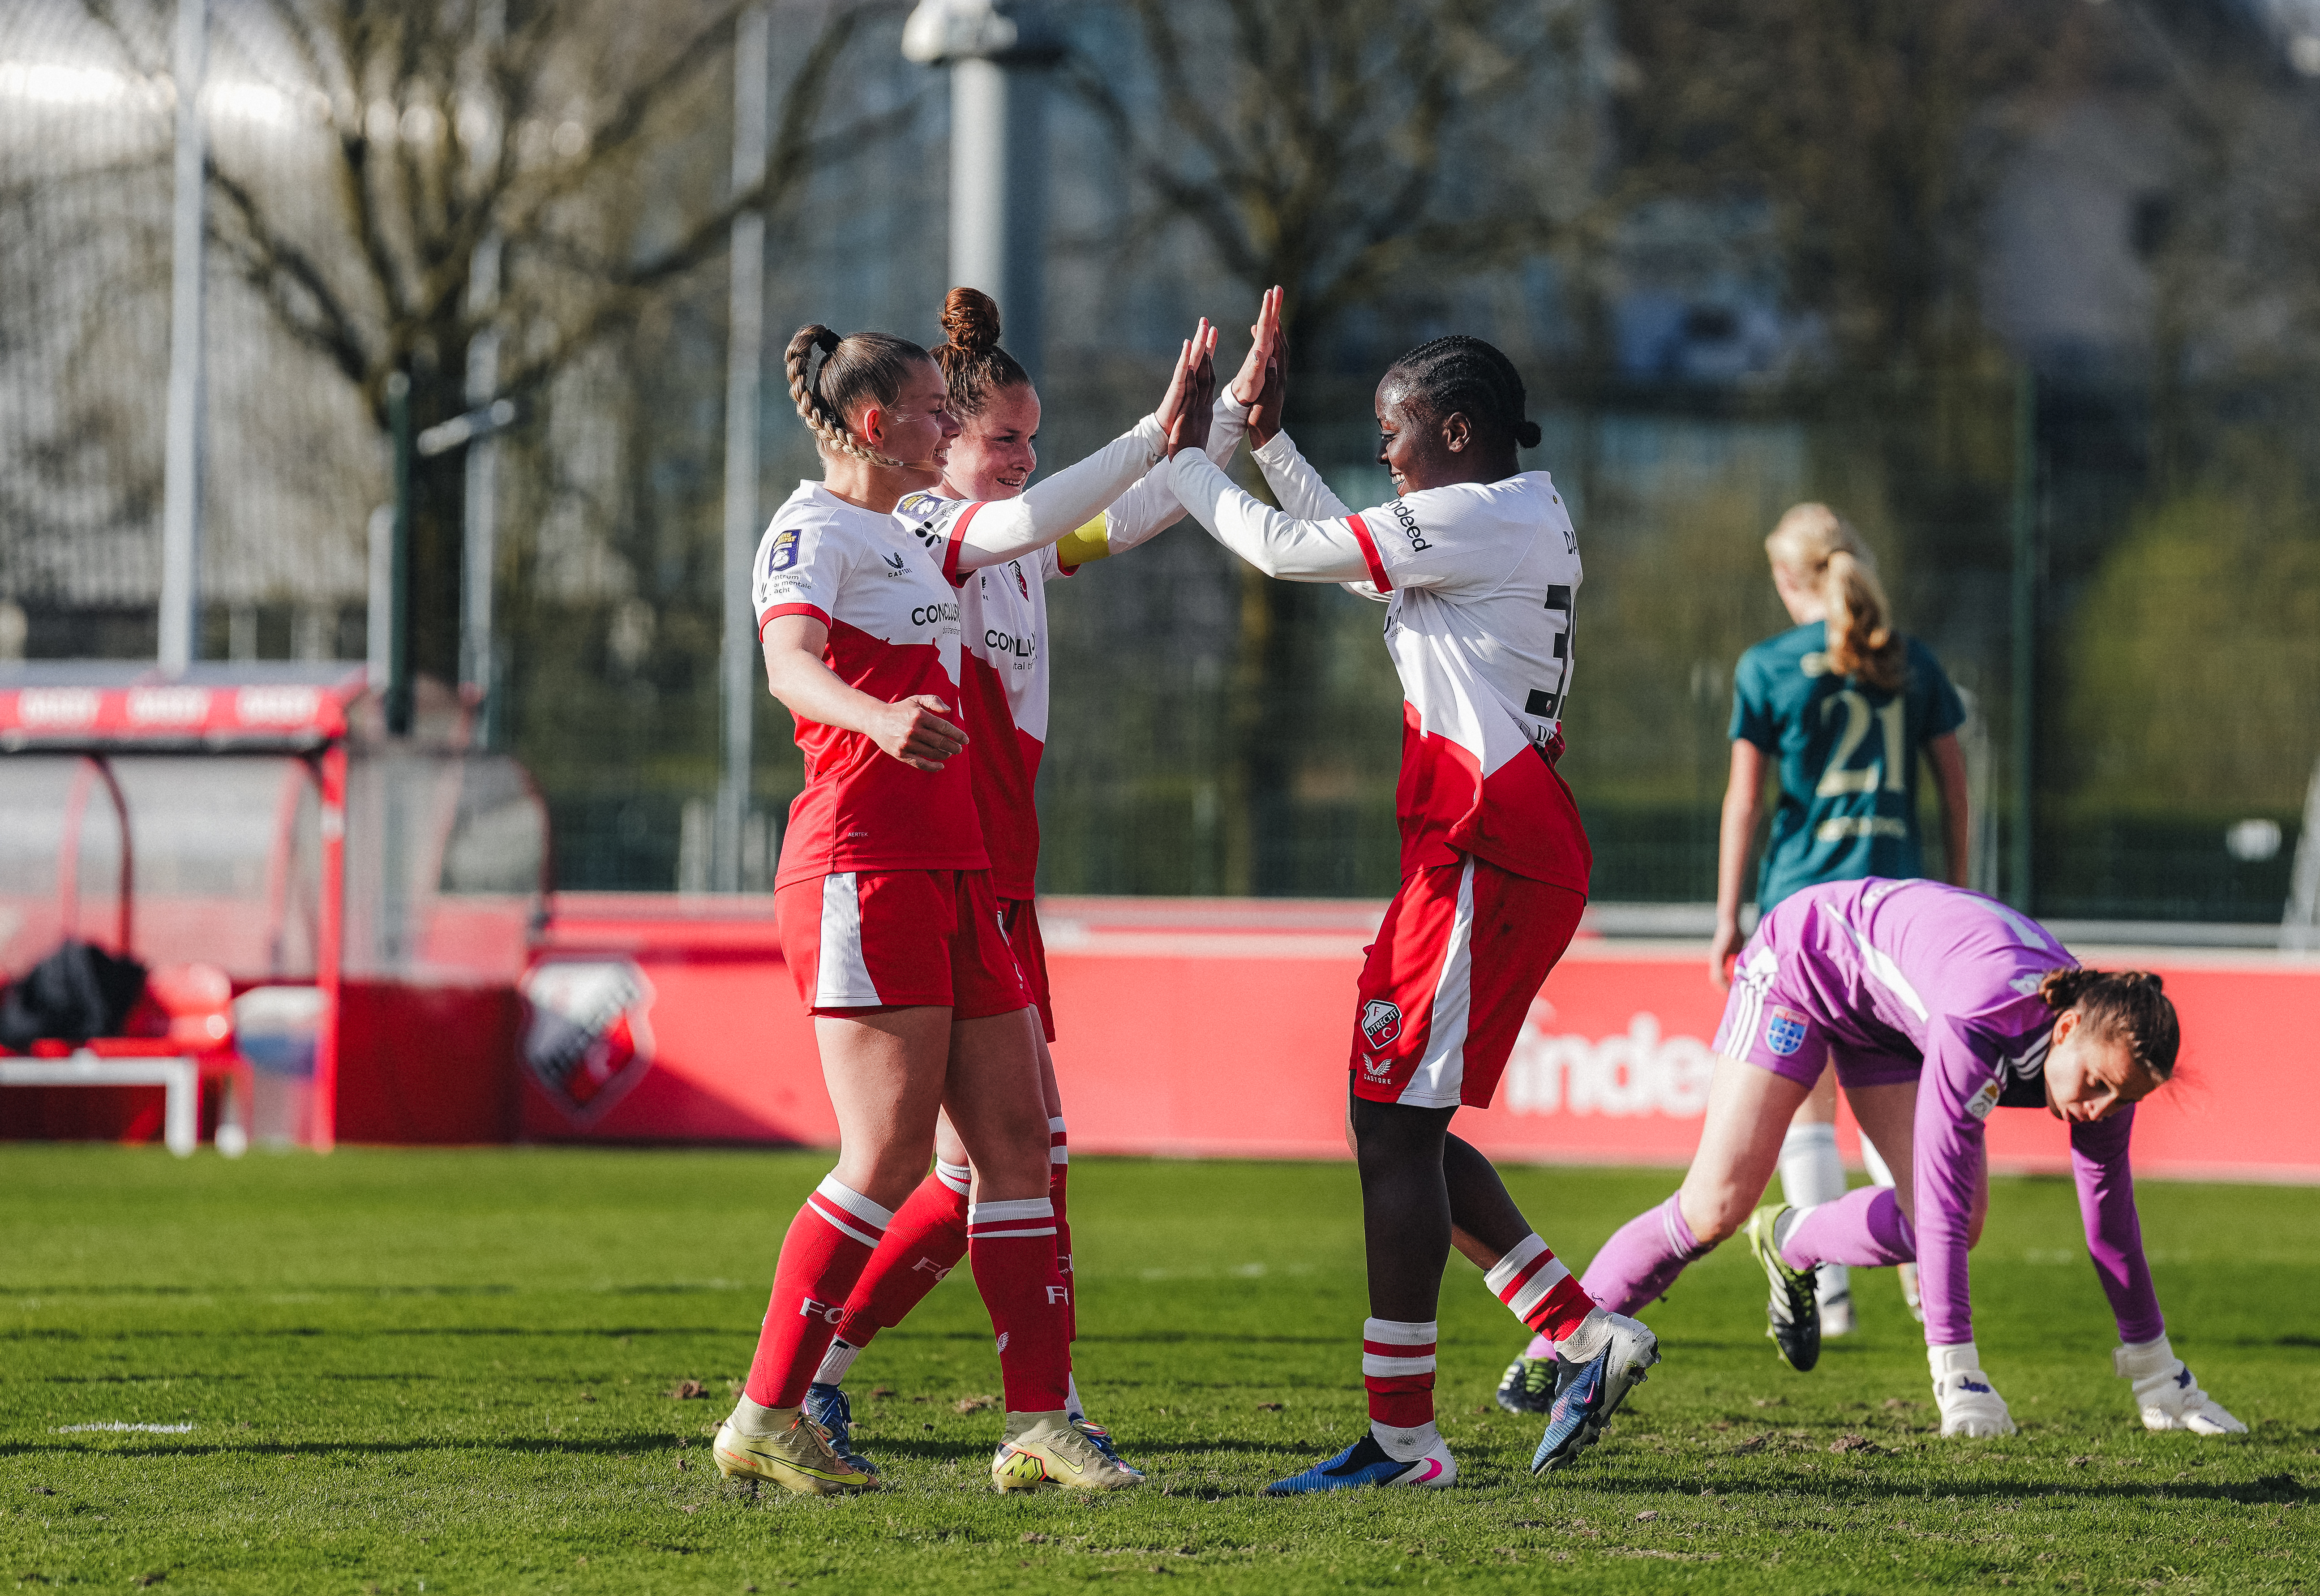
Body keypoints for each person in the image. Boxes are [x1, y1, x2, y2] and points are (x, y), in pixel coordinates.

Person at [1158, 287, 1658, 1494]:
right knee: (1397, 1121)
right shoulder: (1496, 516)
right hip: (1476, 847)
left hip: (1489, 846)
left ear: (1455, 429)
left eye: (1393, 431)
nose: (1381, 453)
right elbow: (1352, 559)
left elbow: (1286, 552)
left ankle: (1405, 1440)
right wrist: (1266, 442)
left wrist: (1180, 462)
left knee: (1394, 1126)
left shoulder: (1485, 518)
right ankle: (1578, 1330)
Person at [713, 315, 1213, 1497]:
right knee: (883, 1155)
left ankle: (1040, 1424)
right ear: (878, 427)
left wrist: (1188, 430)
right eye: (939, 412)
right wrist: (874, 716)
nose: (952, 427)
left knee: (1018, 1151)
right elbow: (786, 665)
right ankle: (767, 1409)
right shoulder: (812, 527)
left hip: (956, 871)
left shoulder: (921, 536)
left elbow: (1052, 523)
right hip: (859, 862)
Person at [1497, 506, 1970, 1412]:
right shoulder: (1913, 662)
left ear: (1787, 580)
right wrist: (1952, 900)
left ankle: (1820, 1288)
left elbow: (1744, 804)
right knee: (1922, 1183)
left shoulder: (1767, 668)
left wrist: (1727, 917)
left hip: (1796, 932)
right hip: (1900, 939)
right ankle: (1859, 1299)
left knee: (1765, 1165)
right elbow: (1955, 790)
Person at [1580, 875, 2246, 1437]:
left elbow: (2110, 1220)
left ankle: (1793, 1240)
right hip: (1805, 965)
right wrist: (1958, 1376)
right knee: (1715, 1207)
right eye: (2096, 1086)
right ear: (2065, 1028)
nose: (2099, 1109)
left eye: (2119, 1098)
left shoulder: (2106, 1051)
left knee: (1955, 1217)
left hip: (1887, 1018)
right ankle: (1551, 1345)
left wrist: (2159, 1375)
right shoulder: (1981, 1019)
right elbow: (1941, 1200)